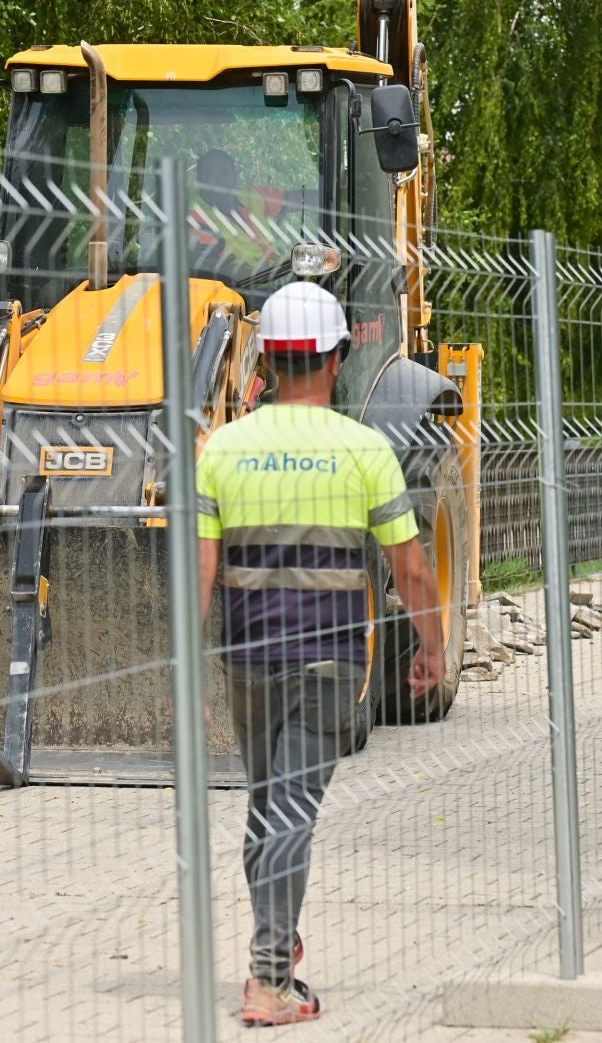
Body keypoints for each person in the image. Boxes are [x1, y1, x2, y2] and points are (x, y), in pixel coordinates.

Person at [196, 281, 444, 1028]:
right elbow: (412, 568)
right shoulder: (365, 448)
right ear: (336, 360)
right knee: (292, 813)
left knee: (269, 806)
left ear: (268, 360)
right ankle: (270, 978)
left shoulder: (223, 447)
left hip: (246, 660)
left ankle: (279, 935)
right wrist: (430, 647)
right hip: (330, 660)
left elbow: (199, 569)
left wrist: (182, 662)